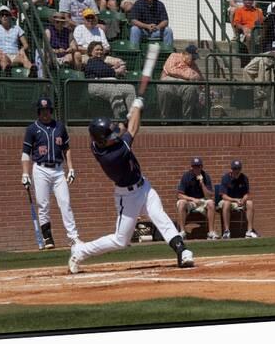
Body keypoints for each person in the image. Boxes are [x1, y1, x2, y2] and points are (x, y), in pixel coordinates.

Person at [68, 99, 194, 273]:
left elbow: (122, 129)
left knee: (159, 216)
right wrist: (136, 106)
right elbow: (132, 129)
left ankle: (182, 250)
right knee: (121, 240)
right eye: (109, 136)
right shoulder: (112, 155)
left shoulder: (101, 142)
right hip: (127, 197)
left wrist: (126, 121)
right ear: (102, 141)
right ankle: (81, 251)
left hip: (144, 187)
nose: (114, 137)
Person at [21, 97, 82, 248]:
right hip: (40, 169)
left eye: (47, 110)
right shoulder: (32, 129)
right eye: (42, 110)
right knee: (43, 205)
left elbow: (66, 148)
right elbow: (25, 153)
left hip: (58, 170)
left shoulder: (60, 127)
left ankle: (73, 237)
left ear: (51, 111)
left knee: (65, 203)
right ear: (38, 112)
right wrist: (25, 174)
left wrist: (71, 168)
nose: (45, 113)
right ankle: (48, 238)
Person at [85, 41, 135, 118]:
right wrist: (116, 71)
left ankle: (133, 116)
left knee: (129, 88)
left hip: (109, 84)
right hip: (96, 85)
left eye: (101, 50)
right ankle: (121, 119)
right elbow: (101, 71)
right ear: (91, 52)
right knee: (114, 91)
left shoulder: (101, 62)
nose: (100, 51)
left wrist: (115, 68)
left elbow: (105, 69)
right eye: (97, 50)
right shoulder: (91, 61)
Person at [0, 5, 37, 77]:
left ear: (10, 16)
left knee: (23, 56)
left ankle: (32, 70)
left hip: (15, 55)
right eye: (2, 15)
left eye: (6, 15)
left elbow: (26, 44)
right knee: (4, 58)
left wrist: (22, 49)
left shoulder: (17, 28)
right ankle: (6, 73)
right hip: (2, 54)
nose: (4, 16)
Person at [176, 157, 219, 240]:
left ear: (201, 167)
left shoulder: (205, 176)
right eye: (194, 167)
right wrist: (192, 199)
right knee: (181, 203)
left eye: (198, 166)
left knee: (211, 203)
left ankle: (211, 232)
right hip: (190, 201)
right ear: (191, 167)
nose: (196, 169)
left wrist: (202, 183)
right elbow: (179, 195)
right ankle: (182, 232)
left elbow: (208, 196)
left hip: (202, 200)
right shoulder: (186, 176)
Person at [157, 45, 203, 119]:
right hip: (169, 81)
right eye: (193, 57)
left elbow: (199, 77)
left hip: (184, 85)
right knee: (164, 89)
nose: (194, 60)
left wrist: (193, 76)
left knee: (191, 88)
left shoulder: (193, 64)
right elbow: (171, 70)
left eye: (195, 58)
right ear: (186, 54)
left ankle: (186, 119)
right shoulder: (174, 56)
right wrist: (188, 75)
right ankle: (163, 118)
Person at [219, 160, 258, 239]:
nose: (236, 171)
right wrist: (234, 200)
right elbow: (223, 196)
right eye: (235, 169)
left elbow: (247, 194)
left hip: (240, 200)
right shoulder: (225, 178)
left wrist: (243, 200)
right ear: (231, 169)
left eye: (238, 169)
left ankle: (249, 231)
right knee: (226, 203)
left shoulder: (244, 178)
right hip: (229, 200)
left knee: (250, 203)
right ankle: (226, 231)